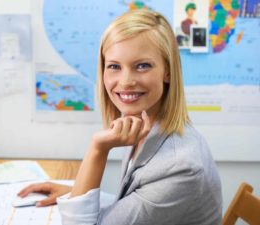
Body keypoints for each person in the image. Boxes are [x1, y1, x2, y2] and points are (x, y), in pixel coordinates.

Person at [18, 9, 222, 225]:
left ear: (168, 71)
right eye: (114, 66)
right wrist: (75, 193)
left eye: (142, 66)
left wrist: (98, 149)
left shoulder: (180, 167)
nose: (125, 81)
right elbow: (134, 201)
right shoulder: (145, 124)